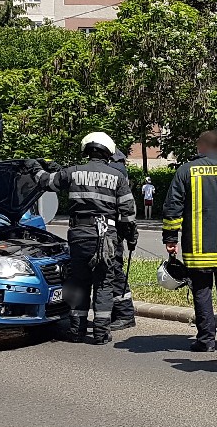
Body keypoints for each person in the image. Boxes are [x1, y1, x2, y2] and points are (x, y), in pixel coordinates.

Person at [30, 132, 137, 345]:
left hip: (79, 235)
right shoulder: (118, 176)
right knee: (104, 284)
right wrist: (129, 238)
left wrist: (35, 166)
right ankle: (100, 333)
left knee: (78, 283)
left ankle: (77, 331)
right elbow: (128, 214)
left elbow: (46, 182)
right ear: (109, 151)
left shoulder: (73, 172)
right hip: (106, 237)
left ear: (87, 150)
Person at [161, 130, 217, 353]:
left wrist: (171, 238)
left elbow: (173, 206)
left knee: (202, 291)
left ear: (200, 148)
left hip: (197, 249)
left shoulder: (185, 171)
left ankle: (206, 339)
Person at [108, 150, 137, 331]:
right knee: (112, 270)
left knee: (114, 271)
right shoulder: (120, 169)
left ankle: (125, 314)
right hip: (116, 229)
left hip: (113, 230)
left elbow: (123, 207)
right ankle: (116, 311)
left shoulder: (114, 169)